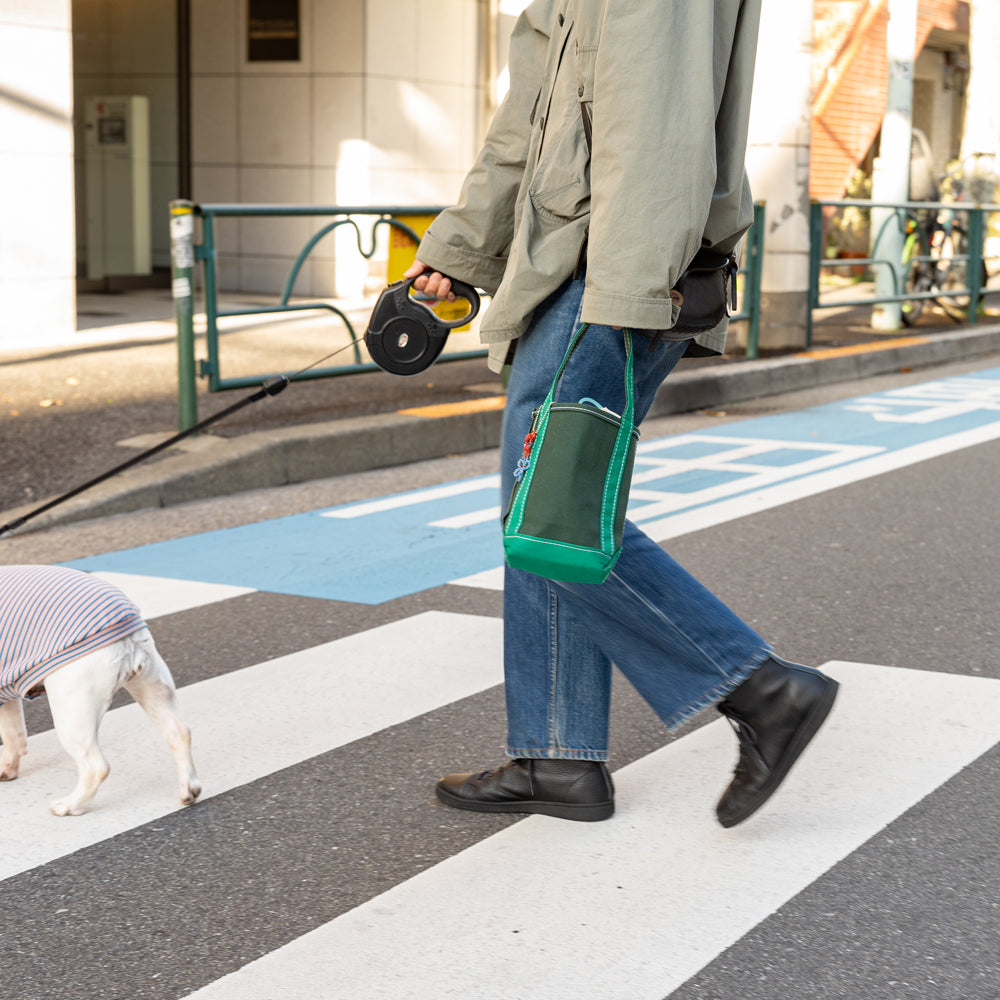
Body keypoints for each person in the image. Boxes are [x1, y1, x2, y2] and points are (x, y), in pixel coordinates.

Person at [403, 0, 838, 828]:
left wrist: (625, 296)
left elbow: (659, 128)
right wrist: (458, 251)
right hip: (572, 267)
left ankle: (760, 688)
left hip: (608, 275)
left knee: (550, 511)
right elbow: (525, 126)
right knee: (547, 507)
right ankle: (557, 756)